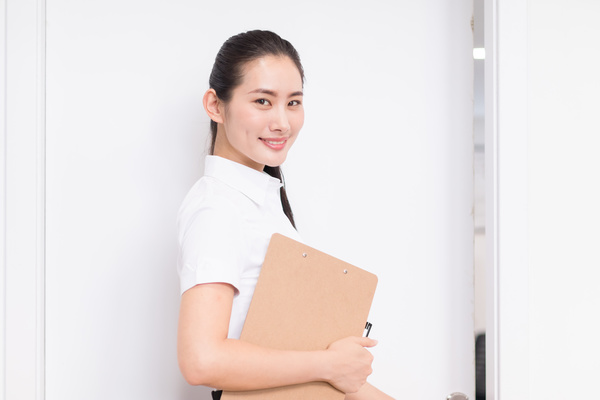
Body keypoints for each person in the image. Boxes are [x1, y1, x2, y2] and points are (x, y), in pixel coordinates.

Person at [177, 30, 393, 400]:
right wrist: (328, 364)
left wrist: (337, 368)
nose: (282, 122)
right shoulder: (219, 210)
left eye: (293, 103)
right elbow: (202, 360)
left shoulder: (260, 205)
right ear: (215, 105)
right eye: (263, 101)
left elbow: (312, 371)